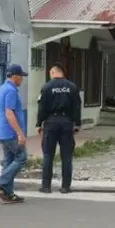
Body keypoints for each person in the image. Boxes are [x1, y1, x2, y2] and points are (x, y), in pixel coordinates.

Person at [36, 63, 81, 194]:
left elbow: (42, 107)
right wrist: (77, 124)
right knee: (66, 156)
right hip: (67, 122)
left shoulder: (47, 87)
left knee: (48, 155)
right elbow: (77, 106)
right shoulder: (72, 87)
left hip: (51, 122)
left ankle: (46, 186)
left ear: (53, 73)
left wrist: (39, 123)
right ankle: (66, 186)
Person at [0, 64, 28, 204]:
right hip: (12, 132)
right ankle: (1, 183)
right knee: (21, 158)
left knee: (9, 161)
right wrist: (19, 133)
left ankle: (8, 193)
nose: (22, 80)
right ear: (15, 76)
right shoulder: (11, 91)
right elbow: (9, 113)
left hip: (4, 132)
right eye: (21, 77)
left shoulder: (2, 89)